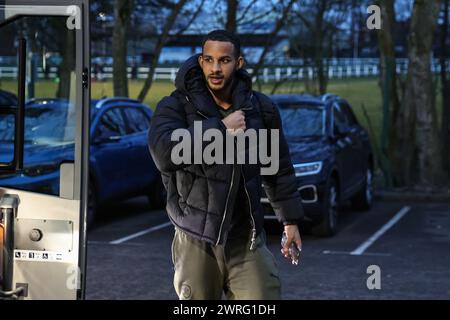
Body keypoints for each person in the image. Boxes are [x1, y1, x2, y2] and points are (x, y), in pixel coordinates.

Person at [148, 30, 303, 300]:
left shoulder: (261, 110)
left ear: (239, 63)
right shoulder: (175, 106)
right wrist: (220, 128)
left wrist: (289, 220)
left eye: (224, 60)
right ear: (201, 62)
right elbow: (163, 153)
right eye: (209, 60)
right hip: (196, 235)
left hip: (246, 238)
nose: (215, 68)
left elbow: (278, 168)